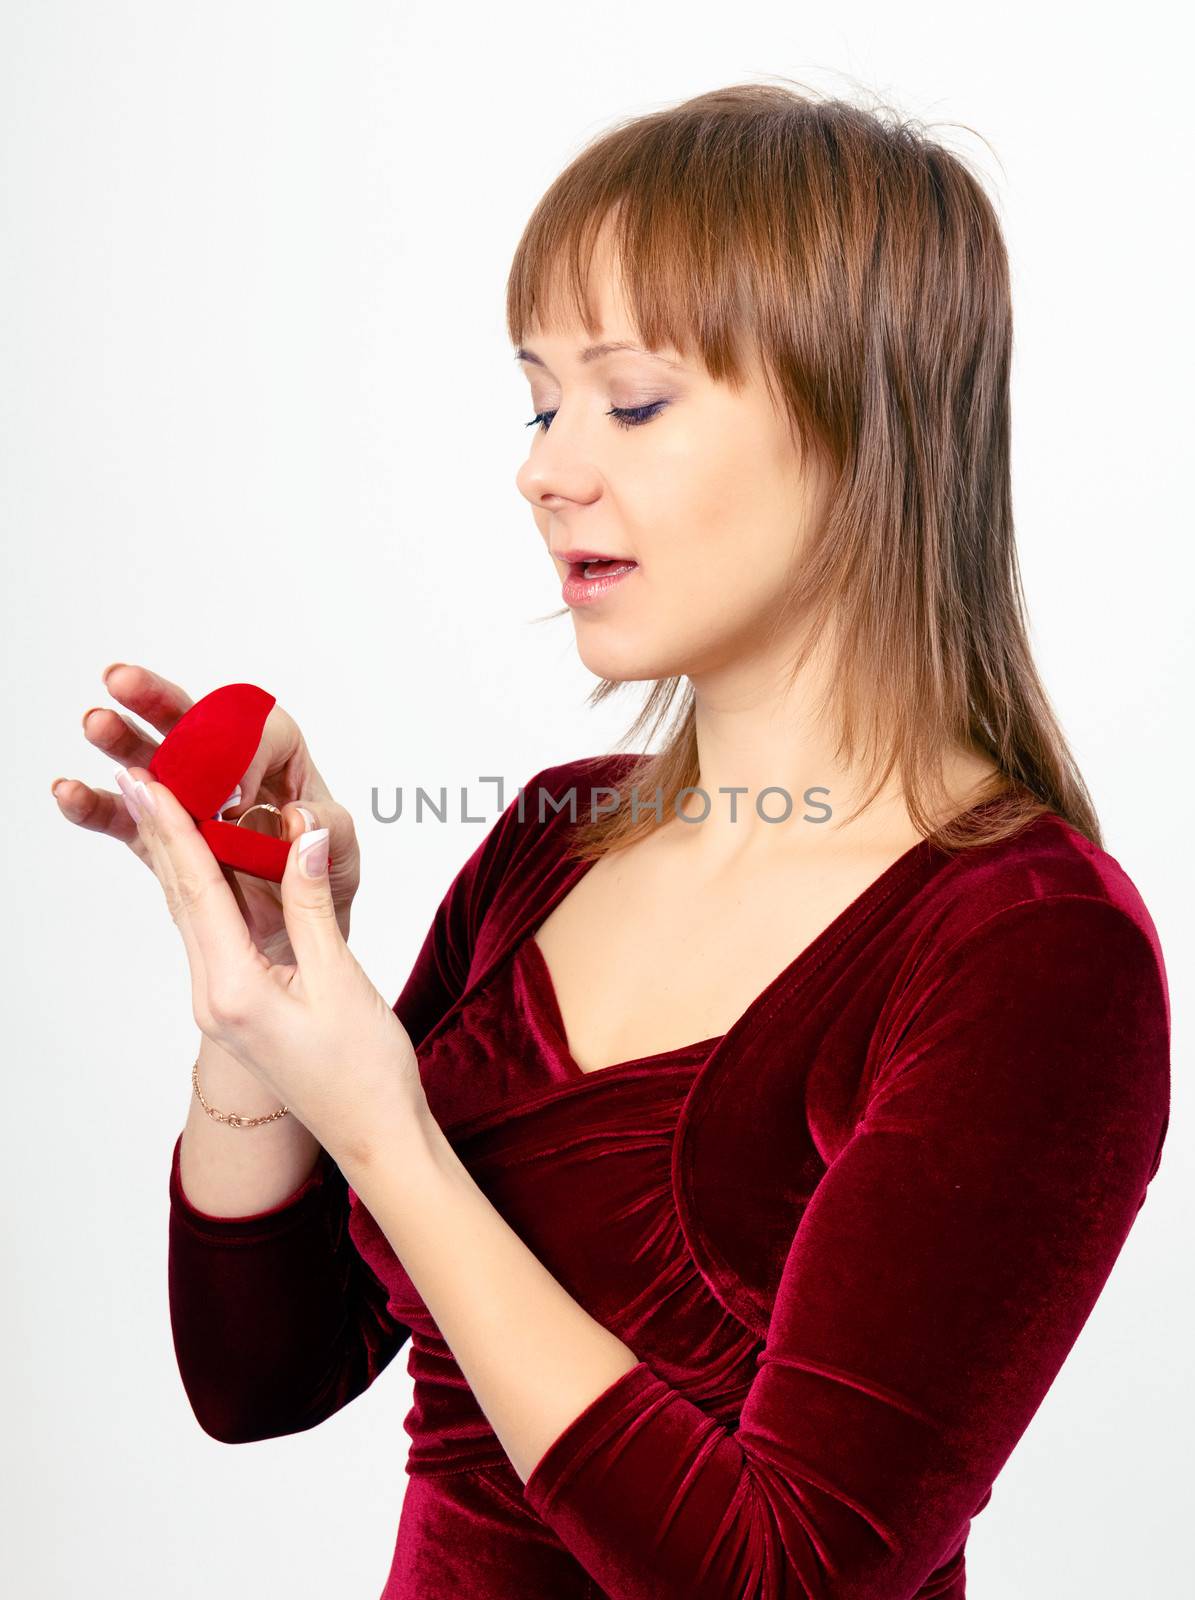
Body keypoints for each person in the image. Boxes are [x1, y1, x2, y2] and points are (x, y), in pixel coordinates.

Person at [52, 83, 1170, 1599]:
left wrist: (385, 1128)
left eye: (631, 402)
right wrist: (259, 1003)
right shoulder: (552, 842)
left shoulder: (1036, 952)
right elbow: (265, 1380)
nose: (545, 469)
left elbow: (793, 1575)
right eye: (540, 402)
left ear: (867, 420)